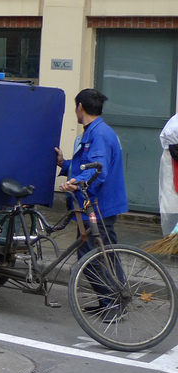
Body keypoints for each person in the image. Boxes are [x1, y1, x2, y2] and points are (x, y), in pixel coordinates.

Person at [55, 88, 127, 317]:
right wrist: (64, 164)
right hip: (98, 205)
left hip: (98, 206)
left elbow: (98, 170)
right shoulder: (96, 132)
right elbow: (86, 165)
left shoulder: (99, 135)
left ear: (80, 107)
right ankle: (116, 301)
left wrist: (76, 184)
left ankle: (112, 303)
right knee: (107, 254)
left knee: (90, 257)